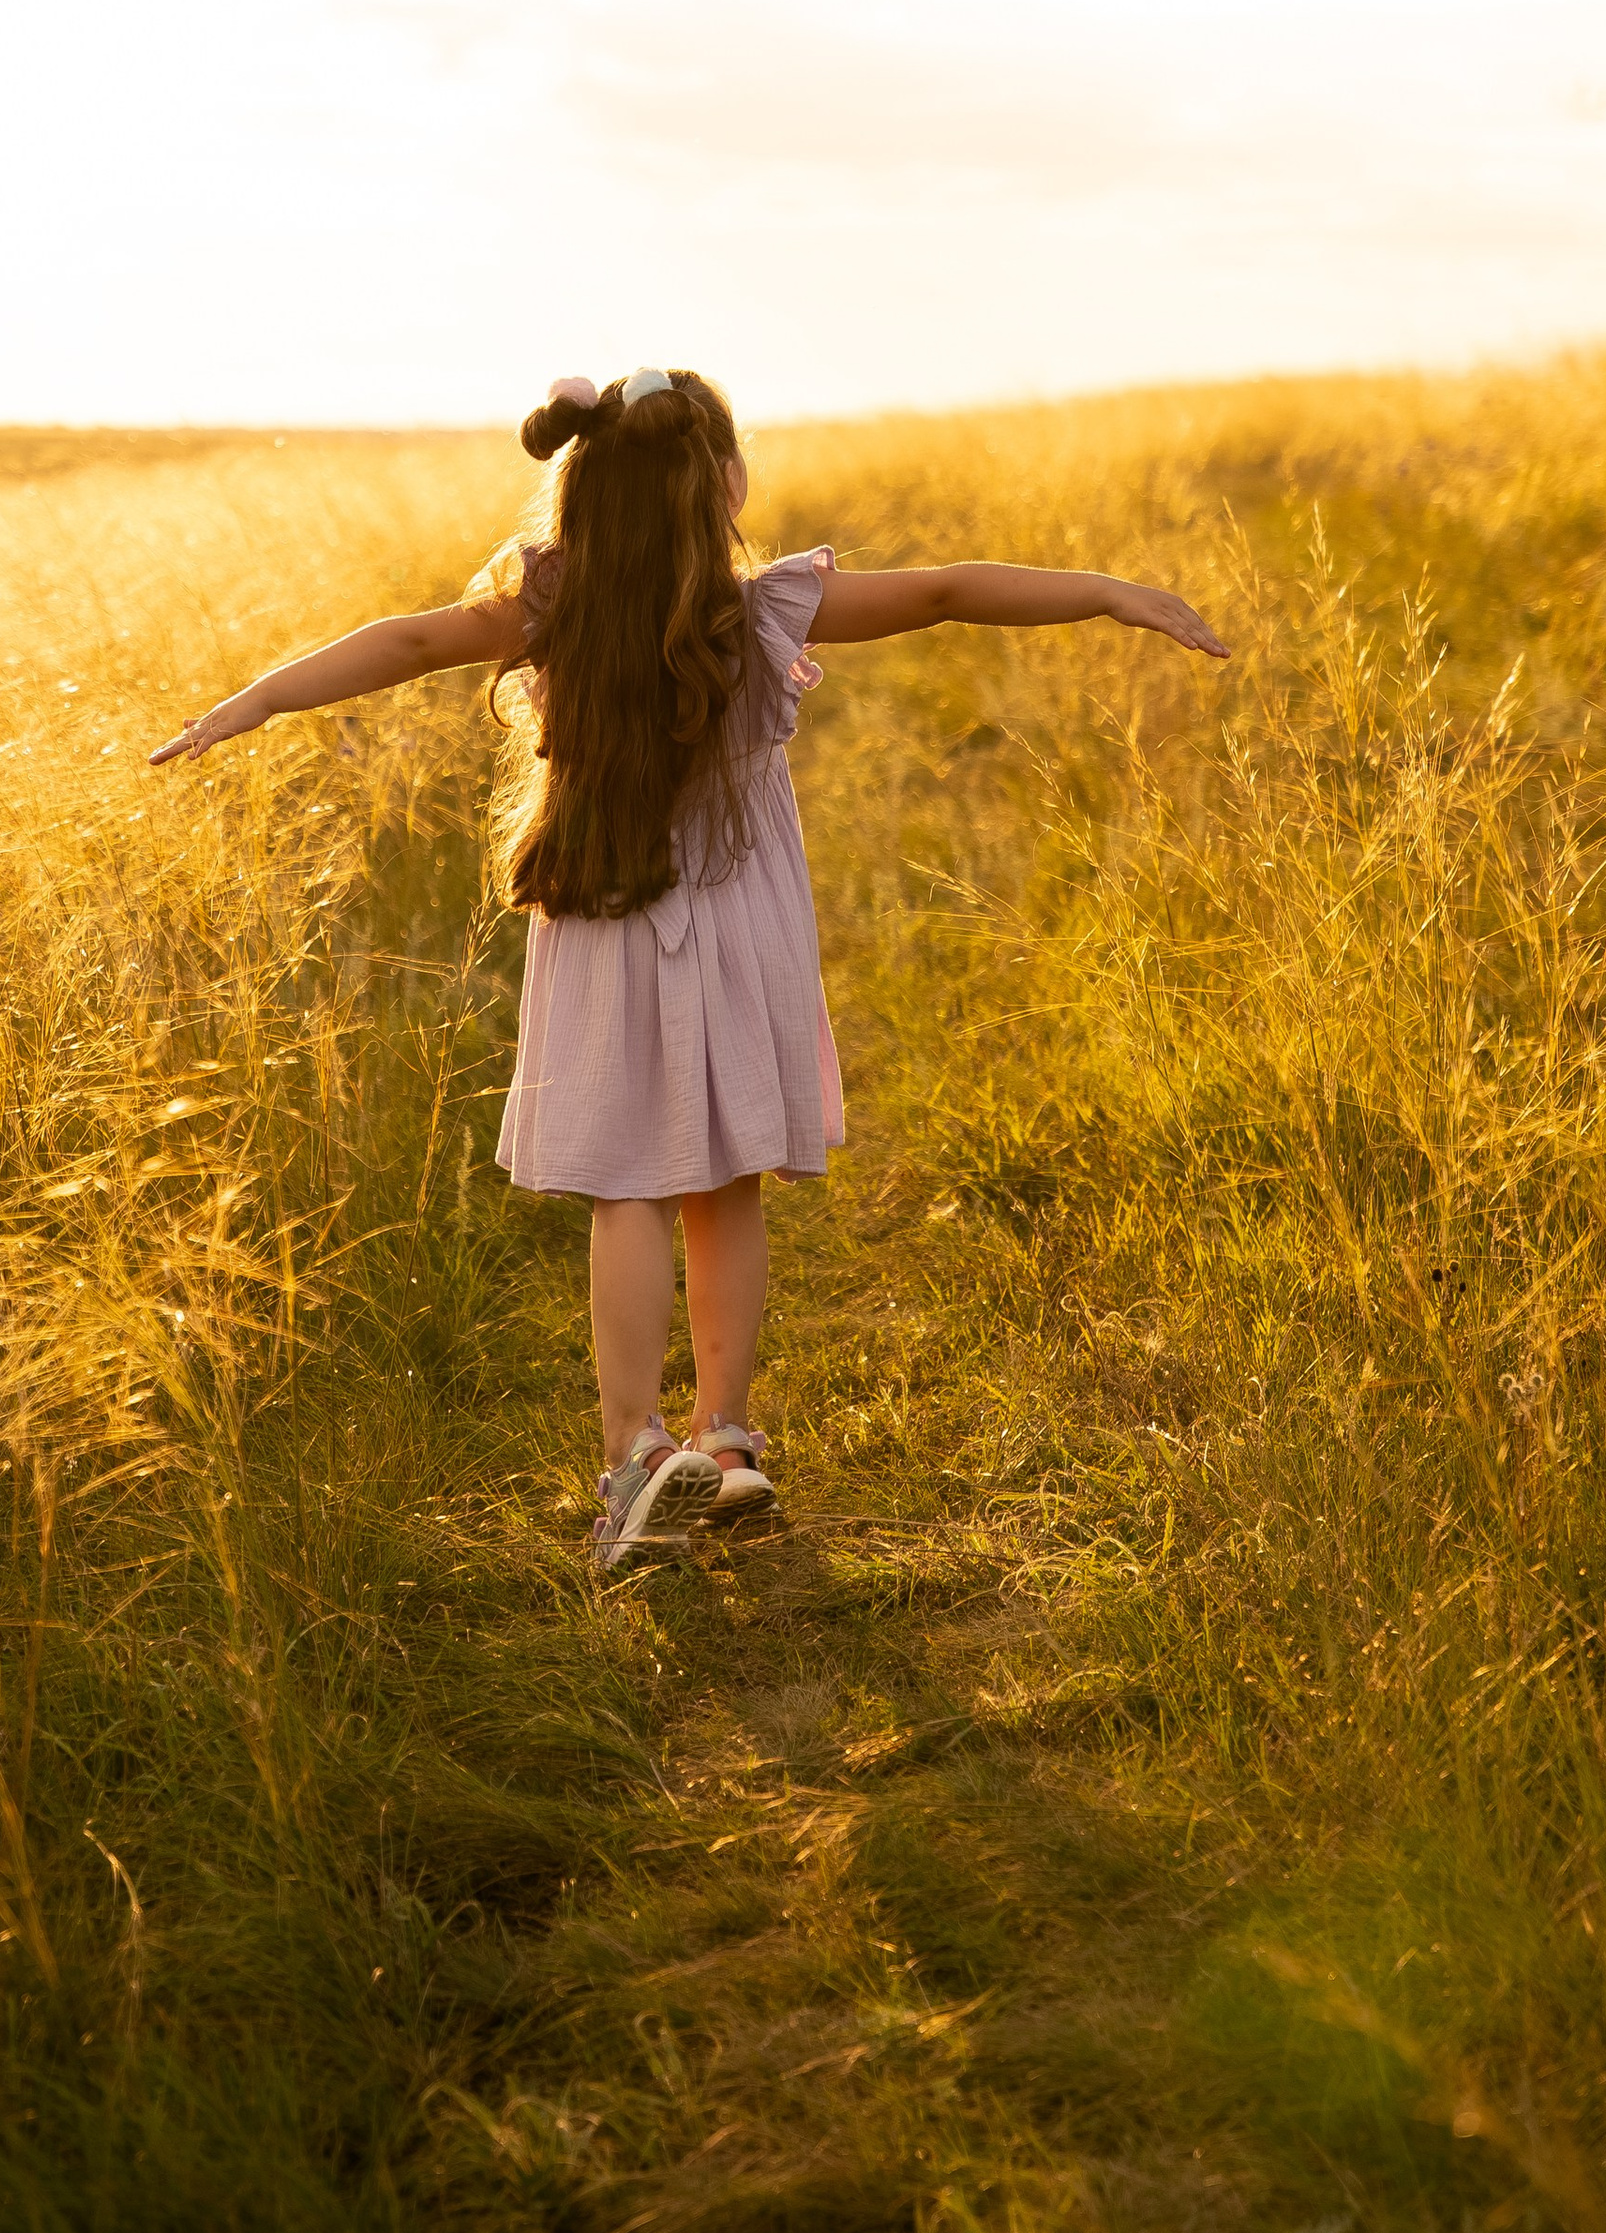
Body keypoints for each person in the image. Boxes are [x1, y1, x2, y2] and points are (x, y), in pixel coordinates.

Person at [152, 367, 1228, 1575]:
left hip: (605, 922)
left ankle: (634, 1453)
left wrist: (254, 701)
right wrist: (1113, 594)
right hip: (742, 929)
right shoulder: (762, 611)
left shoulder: (547, 612)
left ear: (582, 494)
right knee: (725, 1181)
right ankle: (724, 1435)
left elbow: (403, 641)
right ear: (724, 482)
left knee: (628, 1187)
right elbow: (943, 592)